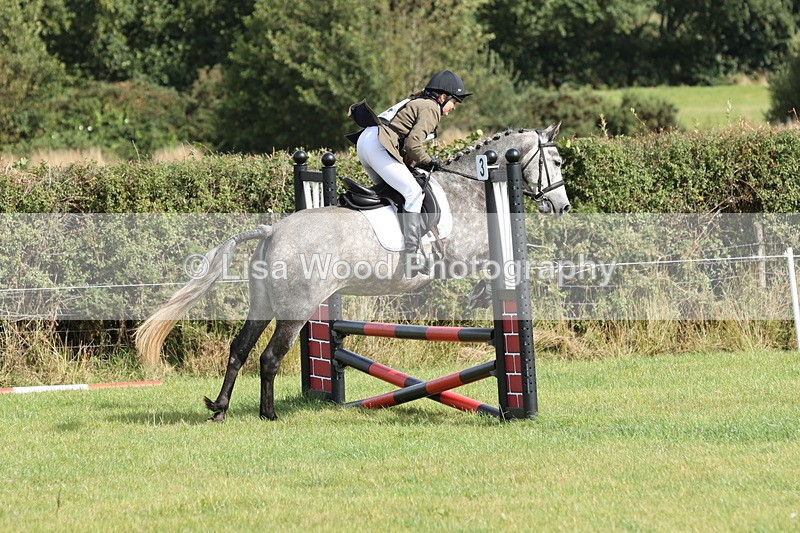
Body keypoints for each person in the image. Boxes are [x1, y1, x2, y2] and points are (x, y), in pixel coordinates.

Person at [346, 70, 472, 277]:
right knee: (413, 192)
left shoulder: (418, 101)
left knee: (395, 193)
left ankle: (388, 245)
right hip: (378, 144)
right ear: (442, 97)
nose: (451, 110)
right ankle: (412, 256)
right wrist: (430, 161)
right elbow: (414, 145)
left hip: (367, 141)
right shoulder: (431, 107)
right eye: (453, 103)